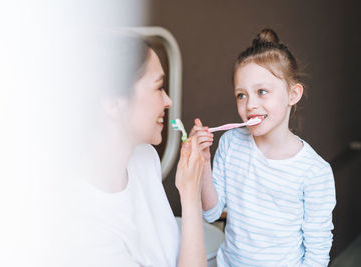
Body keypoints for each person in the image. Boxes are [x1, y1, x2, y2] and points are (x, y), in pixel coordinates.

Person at [190, 29, 336, 266]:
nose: (251, 105)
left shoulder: (314, 172)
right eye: (241, 95)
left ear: (293, 94)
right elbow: (212, 213)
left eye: (262, 92)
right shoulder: (230, 143)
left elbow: (317, 252)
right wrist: (204, 162)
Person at [58, 34, 207, 267]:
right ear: (114, 102)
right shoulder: (85, 230)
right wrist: (190, 198)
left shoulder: (146, 159)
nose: (168, 101)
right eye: (159, 88)